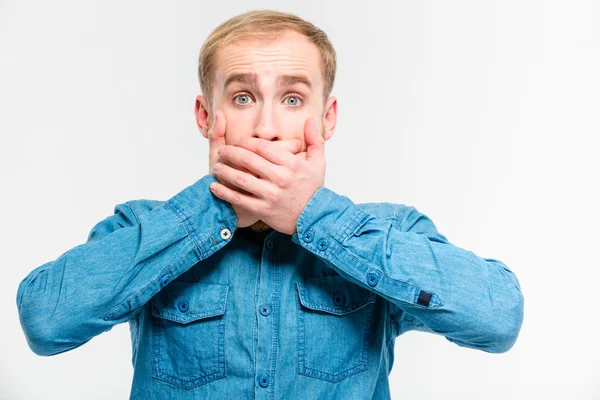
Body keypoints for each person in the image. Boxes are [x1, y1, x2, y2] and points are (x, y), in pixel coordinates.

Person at [15, 9, 524, 400]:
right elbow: (45, 320)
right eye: (241, 98)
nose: (266, 127)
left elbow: (499, 317)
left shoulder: (386, 231)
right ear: (205, 115)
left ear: (328, 119)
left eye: (293, 99)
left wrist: (314, 215)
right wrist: (214, 212)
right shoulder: (143, 225)